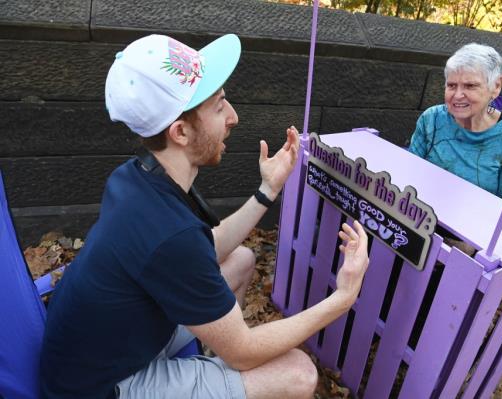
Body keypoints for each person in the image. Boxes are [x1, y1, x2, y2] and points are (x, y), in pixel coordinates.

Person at [40, 33, 370, 399]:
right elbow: (243, 352)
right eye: (219, 106)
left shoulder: (136, 177)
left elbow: (201, 249)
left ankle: (217, 375)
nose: (233, 117)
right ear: (180, 132)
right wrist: (344, 296)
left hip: (108, 345)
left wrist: (268, 190)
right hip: (102, 387)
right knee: (297, 374)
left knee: (241, 259)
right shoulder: (168, 234)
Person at [409, 43, 502, 206]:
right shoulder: (432, 119)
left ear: (496, 86)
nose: (457, 95)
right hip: (419, 213)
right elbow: (408, 174)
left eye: (470, 86)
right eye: (451, 85)